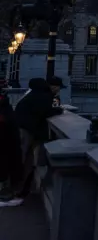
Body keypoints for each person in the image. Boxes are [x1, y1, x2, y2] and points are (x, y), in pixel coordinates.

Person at [2, 77, 64, 205]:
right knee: (20, 160)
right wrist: (58, 110)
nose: (59, 90)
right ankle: (10, 191)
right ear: (53, 86)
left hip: (21, 128)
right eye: (58, 87)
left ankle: (14, 190)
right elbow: (45, 112)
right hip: (26, 131)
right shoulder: (45, 96)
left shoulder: (32, 96)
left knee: (22, 160)